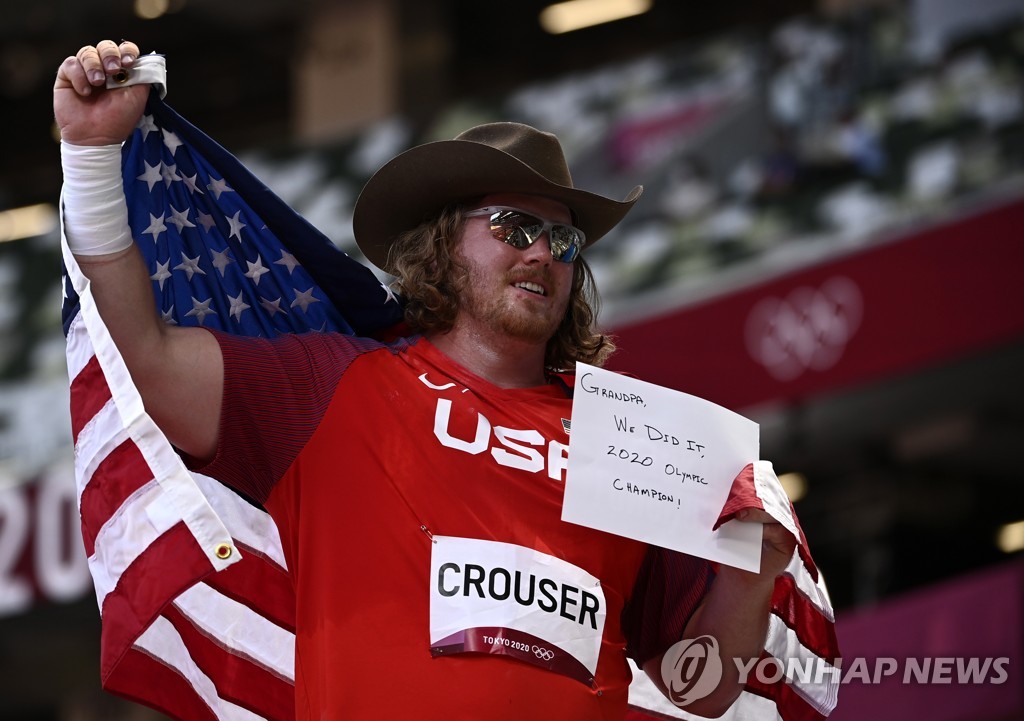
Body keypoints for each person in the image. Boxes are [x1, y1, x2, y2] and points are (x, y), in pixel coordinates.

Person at [55, 40, 800, 720]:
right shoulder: (329, 385)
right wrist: (91, 158)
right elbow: (142, 364)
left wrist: (753, 572)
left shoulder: (629, 440)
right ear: (444, 242)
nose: (544, 253)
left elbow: (696, 687)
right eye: (513, 227)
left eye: (565, 239)